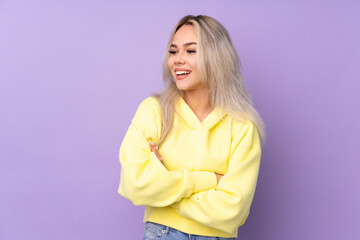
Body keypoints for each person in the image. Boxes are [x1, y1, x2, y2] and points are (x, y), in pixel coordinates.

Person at [118, 15, 265, 240]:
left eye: (191, 51)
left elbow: (232, 209)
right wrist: (209, 181)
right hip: (162, 234)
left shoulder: (243, 124)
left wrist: (165, 189)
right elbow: (135, 183)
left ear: (217, 58)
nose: (177, 60)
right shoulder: (153, 111)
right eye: (173, 51)